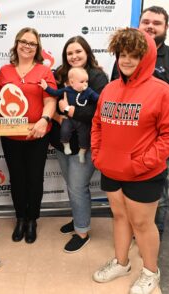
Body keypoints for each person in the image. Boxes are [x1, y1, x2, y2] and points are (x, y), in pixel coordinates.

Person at [91, 28, 169, 294]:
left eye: (134, 55)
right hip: (111, 168)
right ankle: (121, 263)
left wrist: (142, 163)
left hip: (144, 173)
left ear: (147, 58)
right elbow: (97, 124)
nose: (127, 60)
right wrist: (98, 154)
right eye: (122, 55)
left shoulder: (162, 91)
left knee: (142, 224)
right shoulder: (109, 88)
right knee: (119, 217)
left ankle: (151, 272)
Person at [111, 6, 169, 239]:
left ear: (166, 28)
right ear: (138, 25)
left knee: (159, 198)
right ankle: (133, 237)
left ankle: (155, 240)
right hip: (128, 148)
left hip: (163, 148)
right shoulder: (124, 59)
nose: (150, 26)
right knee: (128, 198)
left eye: (157, 23)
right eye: (146, 22)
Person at [0, 27, 57, 244]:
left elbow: (51, 100)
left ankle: (32, 220)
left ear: (37, 47)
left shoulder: (44, 71)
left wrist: (44, 120)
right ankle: (20, 217)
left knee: (35, 178)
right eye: (24, 41)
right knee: (17, 178)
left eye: (32, 43)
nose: (27, 46)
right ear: (16, 43)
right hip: (11, 135)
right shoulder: (4, 71)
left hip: (37, 134)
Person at [49, 36, 108, 253]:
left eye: (78, 52)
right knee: (72, 186)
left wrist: (71, 111)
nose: (74, 56)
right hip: (62, 141)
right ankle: (77, 220)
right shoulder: (60, 74)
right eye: (70, 53)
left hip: (86, 143)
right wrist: (58, 116)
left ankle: (82, 231)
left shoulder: (98, 77)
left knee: (77, 187)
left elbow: (99, 111)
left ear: (87, 52)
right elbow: (51, 101)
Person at [40, 67, 99, 163]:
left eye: (86, 81)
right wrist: (46, 87)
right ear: (72, 83)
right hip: (68, 119)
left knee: (84, 134)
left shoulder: (88, 91)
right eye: (82, 81)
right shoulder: (67, 90)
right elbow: (55, 92)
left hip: (81, 120)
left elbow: (98, 98)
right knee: (65, 130)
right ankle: (66, 145)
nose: (85, 84)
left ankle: (82, 151)